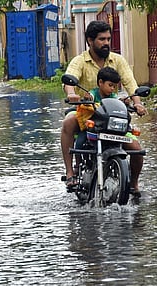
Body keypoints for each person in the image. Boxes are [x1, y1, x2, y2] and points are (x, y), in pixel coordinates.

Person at [61, 20, 147, 195]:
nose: (106, 42)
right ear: (90, 41)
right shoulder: (80, 61)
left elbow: (130, 83)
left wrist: (137, 103)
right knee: (68, 122)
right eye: (101, 39)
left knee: (137, 150)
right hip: (87, 113)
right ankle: (70, 172)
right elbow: (69, 78)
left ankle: (133, 184)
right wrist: (71, 94)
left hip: (112, 114)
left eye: (108, 38)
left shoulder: (117, 60)